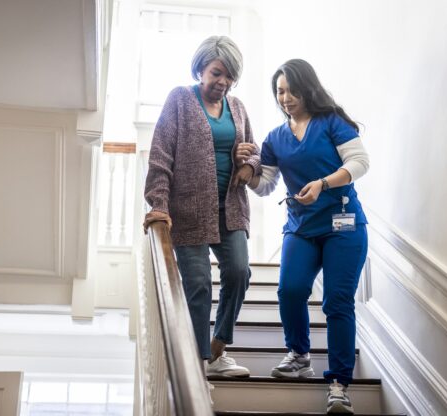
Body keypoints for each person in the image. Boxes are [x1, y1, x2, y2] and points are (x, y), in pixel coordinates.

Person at [247, 59, 369, 415]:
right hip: (301, 227)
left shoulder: (332, 123)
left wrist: (323, 183)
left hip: (343, 228)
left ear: (307, 87)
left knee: (337, 302)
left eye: (290, 90)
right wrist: (246, 171)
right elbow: (266, 184)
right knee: (290, 289)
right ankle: (299, 355)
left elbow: (360, 162)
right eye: (279, 91)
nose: (284, 97)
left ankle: (338, 385)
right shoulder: (275, 138)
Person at [143, 35, 260, 379]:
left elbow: (254, 150)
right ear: (200, 70)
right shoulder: (180, 99)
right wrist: (159, 205)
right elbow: (161, 155)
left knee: (239, 272)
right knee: (197, 285)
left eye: (229, 77)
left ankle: (218, 346)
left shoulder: (237, 107)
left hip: (230, 208)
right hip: (189, 210)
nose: (222, 82)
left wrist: (248, 163)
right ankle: (198, 365)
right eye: (216, 73)